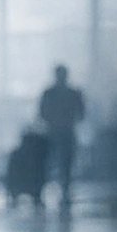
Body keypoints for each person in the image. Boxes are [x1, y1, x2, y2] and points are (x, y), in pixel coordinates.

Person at [38, 64, 85, 207]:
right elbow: (81, 114)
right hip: (60, 132)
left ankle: (62, 190)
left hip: (56, 132)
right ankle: (62, 190)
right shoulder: (71, 93)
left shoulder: (50, 93)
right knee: (59, 163)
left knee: (62, 163)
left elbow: (42, 112)